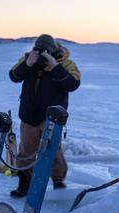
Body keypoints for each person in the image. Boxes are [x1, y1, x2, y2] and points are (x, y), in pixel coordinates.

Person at [9, 34, 81, 197]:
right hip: (29, 114)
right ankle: (25, 183)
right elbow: (14, 76)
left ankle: (58, 181)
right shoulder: (28, 60)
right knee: (26, 151)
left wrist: (55, 66)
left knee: (54, 149)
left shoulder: (66, 63)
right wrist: (27, 64)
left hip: (52, 116)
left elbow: (73, 84)